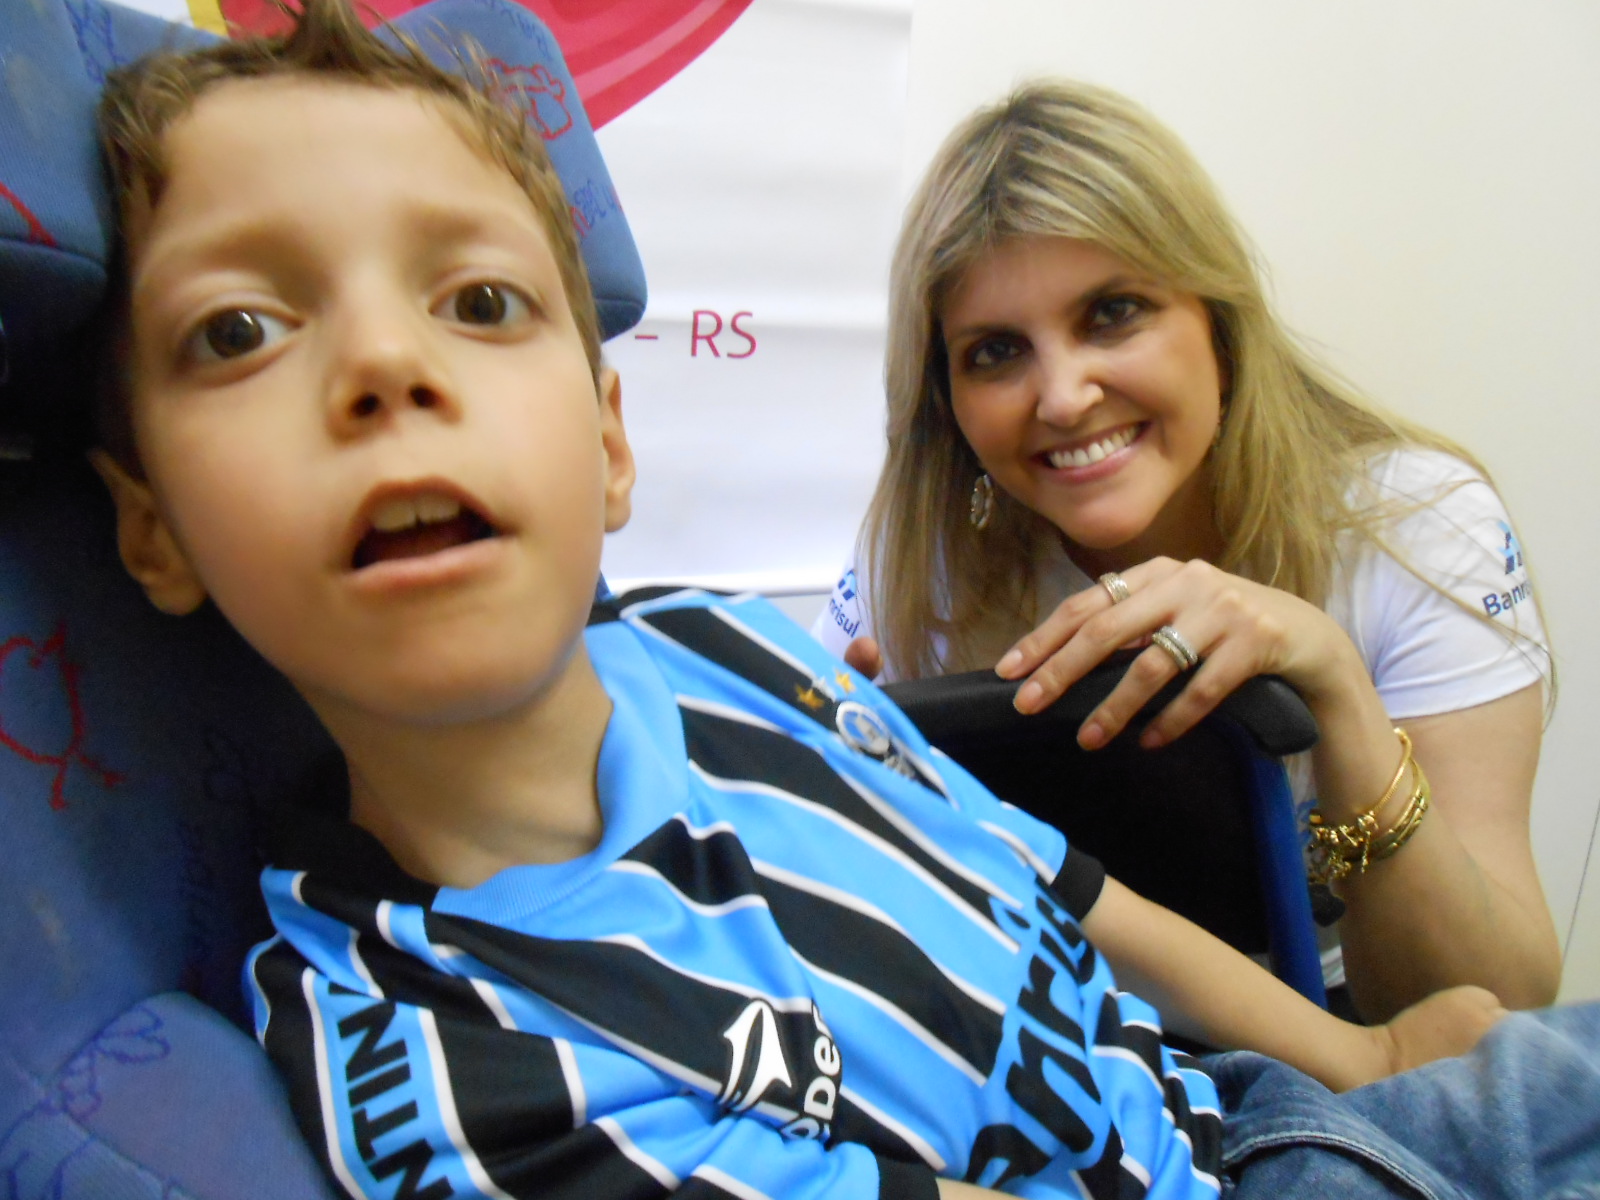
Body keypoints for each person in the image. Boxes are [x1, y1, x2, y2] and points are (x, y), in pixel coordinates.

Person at [85, 6, 1600, 1198]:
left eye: (478, 302)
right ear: (149, 526)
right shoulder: (446, 1060)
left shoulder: (711, 647)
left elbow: (1059, 898)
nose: (385, 370)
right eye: (240, 329)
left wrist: (1367, 1044)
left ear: (614, 442)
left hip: (1236, 1102)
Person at [814, 81, 1560, 1022]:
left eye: (1113, 313)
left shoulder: (1417, 525)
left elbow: (1497, 1017)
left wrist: (1333, 687)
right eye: (996, 352)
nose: (1063, 396)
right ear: (946, 403)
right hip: (1059, 1061)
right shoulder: (917, 562)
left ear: (1218, 318)